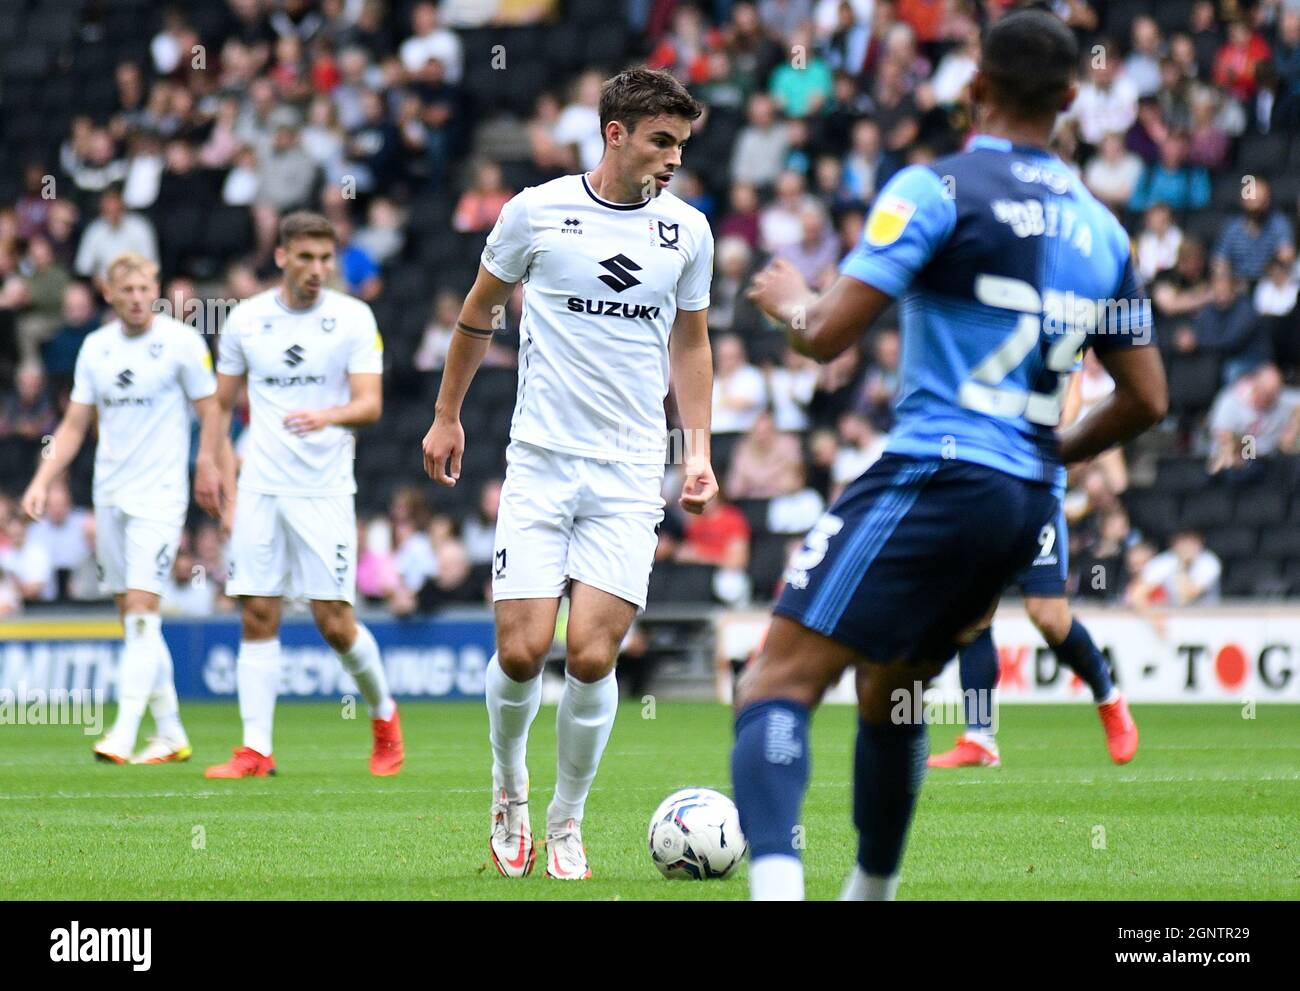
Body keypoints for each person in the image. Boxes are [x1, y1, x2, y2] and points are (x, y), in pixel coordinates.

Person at [735, 9, 1167, 901]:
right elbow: (1149, 399)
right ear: (1071, 99)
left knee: (774, 681)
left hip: (935, 467)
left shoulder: (933, 188)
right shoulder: (1107, 233)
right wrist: (1054, 446)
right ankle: (871, 894)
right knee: (891, 694)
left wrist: (787, 298)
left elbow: (826, 337)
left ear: (973, 87)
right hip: (1024, 499)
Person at [421, 68, 717, 880]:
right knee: (521, 651)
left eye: (681, 145)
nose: (672, 158)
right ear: (614, 133)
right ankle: (508, 786)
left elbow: (691, 344)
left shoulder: (688, 231)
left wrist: (698, 450)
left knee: (589, 656)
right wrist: (447, 414)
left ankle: (566, 818)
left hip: (627, 475)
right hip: (542, 465)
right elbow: (477, 311)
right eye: (661, 141)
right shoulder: (536, 212)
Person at [195, 211, 402, 779]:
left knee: (333, 621)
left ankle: (384, 716)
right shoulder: (246, 320)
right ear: (282, 256)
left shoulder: (354, 318)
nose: (316, 269)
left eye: (324, 258)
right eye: (305, 257)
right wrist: (210, 463)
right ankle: (255, 750)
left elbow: (370, 404)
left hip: (324, 489)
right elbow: (220, 401)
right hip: (261, 484)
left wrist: (327, 415)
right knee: (257, 610)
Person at [20, 253, 219, 764]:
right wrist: (44, 478)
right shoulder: (96, 348)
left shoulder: (181, 343)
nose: (136, 297)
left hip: (160, 496)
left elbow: (211, 411)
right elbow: (73, 427)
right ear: (108, 293)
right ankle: (171, 732)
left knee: (140, 610)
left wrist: (209, 465)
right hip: (110, 494)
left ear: (155, 286)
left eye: (144, 287)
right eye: (125, 289)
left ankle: (124, 730)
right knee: (132, 617)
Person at [928, 372, 1139, 770]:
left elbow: (1070, 404)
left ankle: (1109, 698)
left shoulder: (1056, 328)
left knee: (1049, 618)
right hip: (986, 491)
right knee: (973, 614)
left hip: (1035, 492)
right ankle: (980, 736)